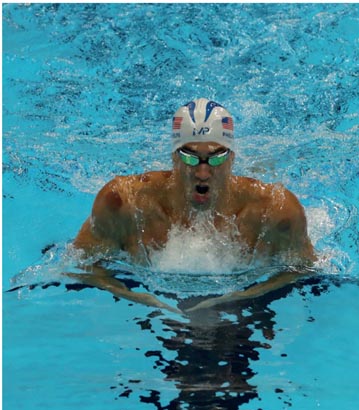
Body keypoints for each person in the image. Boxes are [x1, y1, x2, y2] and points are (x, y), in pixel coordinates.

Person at [72, 98, 316, 313]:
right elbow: (80, 264)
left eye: (216, 157)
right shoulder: (124, 202)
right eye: (189, 157)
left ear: (232, 157)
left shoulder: (275, 211)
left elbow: (304, 270)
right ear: (173, 156)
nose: (202, 172)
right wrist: (137, 297)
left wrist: (241, 296)